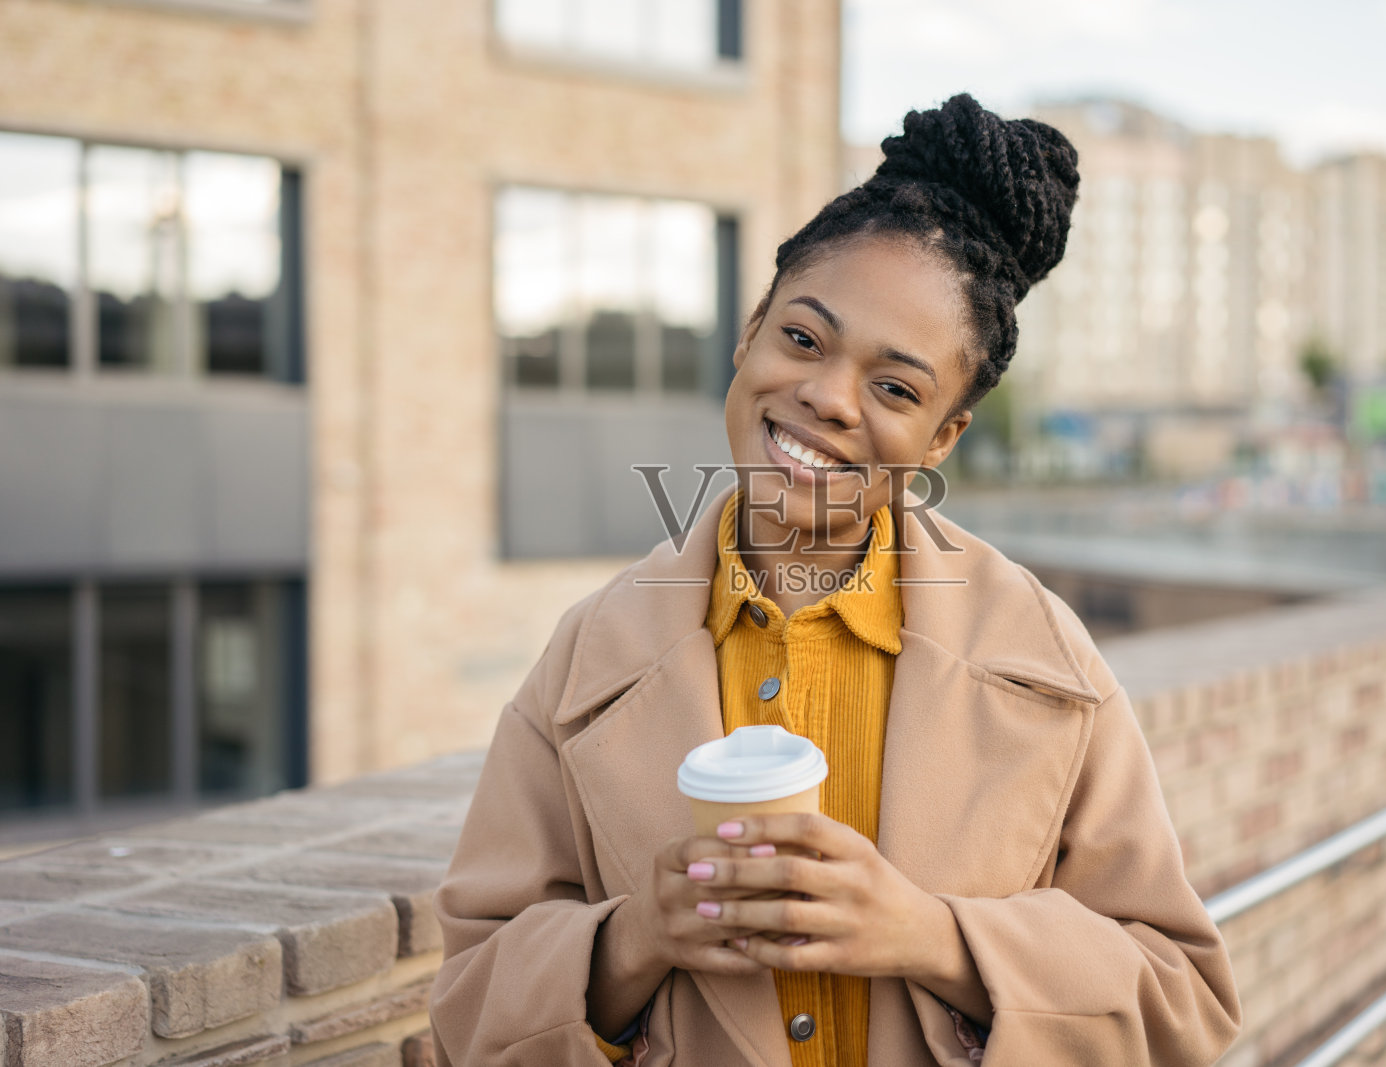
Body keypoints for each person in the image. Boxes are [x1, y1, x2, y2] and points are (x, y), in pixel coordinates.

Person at [429, 93, 1242, 1066]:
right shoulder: (588, 652)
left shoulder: (1046, 656)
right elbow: (467, 1007)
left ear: (943, 434)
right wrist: (637, 937)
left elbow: (1184, 1007)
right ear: (748, 333)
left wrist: (934, 937)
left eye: (895, 387)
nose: (825, 397)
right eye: (803, 339)